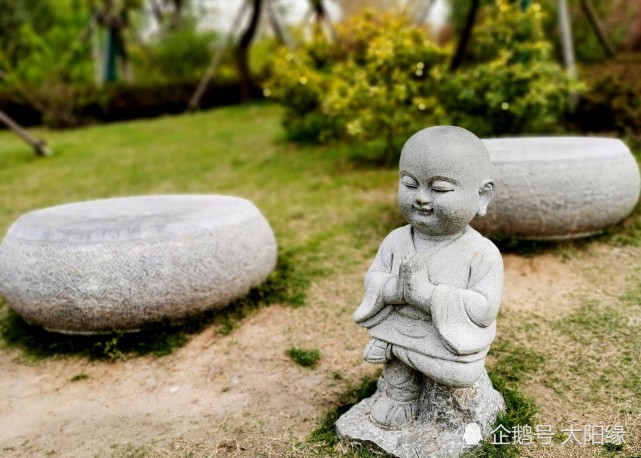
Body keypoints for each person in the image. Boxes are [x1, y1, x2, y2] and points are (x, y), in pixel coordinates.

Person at [353, 126, 503, 430]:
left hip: (446, 336)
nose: (421, 198)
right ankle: (400, 392)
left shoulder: (482, 253)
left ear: (482, 195)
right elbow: (374, 279)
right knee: (397, 372)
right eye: (410, 184)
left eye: (440, 188)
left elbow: (485, 308)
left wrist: (427, 294)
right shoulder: (396, 240)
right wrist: (396, 288)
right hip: (399, 325)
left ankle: (394, 351)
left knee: (462, 375)